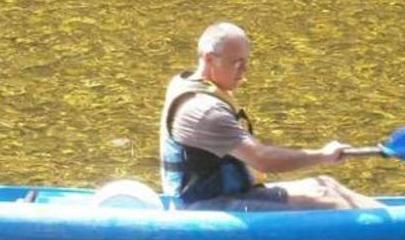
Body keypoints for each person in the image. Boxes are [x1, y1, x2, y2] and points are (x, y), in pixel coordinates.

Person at [159, 22, 382, 211]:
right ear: (209, 59)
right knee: (328, 201)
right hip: (206, 208)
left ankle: (393, 220)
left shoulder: (193, 83)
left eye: (246, 61)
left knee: (326, 184)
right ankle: (392, 237)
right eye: (236, 62)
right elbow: (263, 160)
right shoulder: (204, 111)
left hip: (231, 194)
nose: (244, 70)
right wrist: (322, 155)